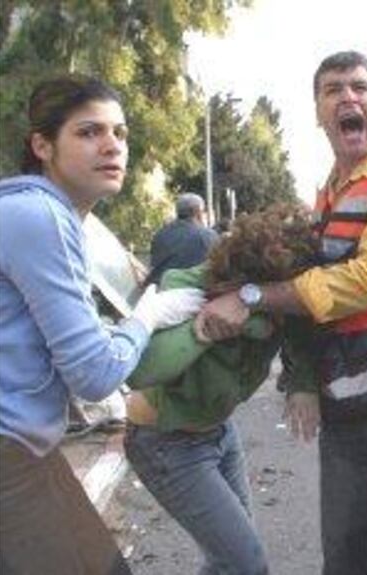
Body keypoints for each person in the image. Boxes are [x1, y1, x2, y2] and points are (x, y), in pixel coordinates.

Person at [196, 50, 367, 575]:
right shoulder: (329, 192)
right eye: (334, 89)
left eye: (361, 87)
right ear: (318, 112)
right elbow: (313, 303)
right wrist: (300, 379)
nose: (349, 97)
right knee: (344, 547)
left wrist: (253, 295)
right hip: (347, 389)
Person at [0, 74, 205, 575]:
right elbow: (94, 372)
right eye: (89, 132)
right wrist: (149, 315)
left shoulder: (32, 211)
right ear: (42, 145)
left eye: (121, 132)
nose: (112, 145)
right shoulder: (39, 216)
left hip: (23, 449)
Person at [123, 204, 319, 575]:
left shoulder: (273, 297)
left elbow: (303, 333)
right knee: (245, 563)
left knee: (231, 561)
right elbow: (142, 370)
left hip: (219, 432)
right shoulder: (190, 284)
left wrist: (302, 383)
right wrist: (203, 329)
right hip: (164, 441)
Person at [144, 192, 220, 286]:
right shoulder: (208, 236)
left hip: (160, 291)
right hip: (194, 293)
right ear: (197, 212)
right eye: (203, 210)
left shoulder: (160, 235)